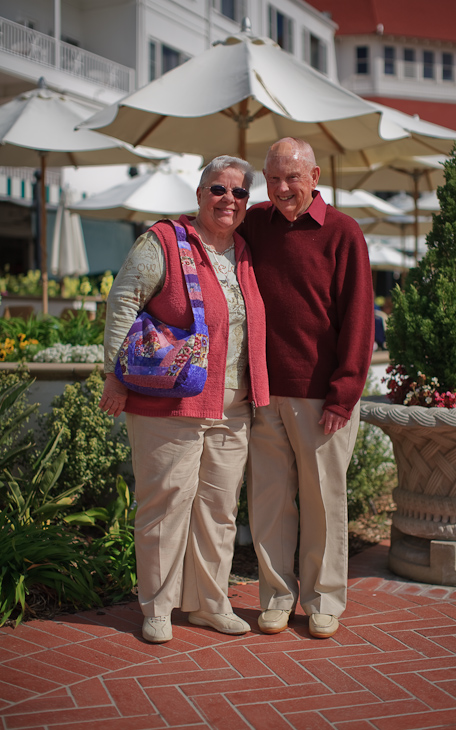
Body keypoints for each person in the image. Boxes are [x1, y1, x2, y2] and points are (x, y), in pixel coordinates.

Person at [99, 155, 269, 643]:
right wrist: (115, 373)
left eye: (239, 193)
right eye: (219, 189)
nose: (229, 200)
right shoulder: (164, 241)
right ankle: (157, 606)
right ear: (199, 194)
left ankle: (209, 603)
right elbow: (123, 300)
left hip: (234, 404)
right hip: (170, 401)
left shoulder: (244, 251)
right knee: (164, 504)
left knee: (219, 510)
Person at [240, 138, 374, 639]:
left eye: (292, 177)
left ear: (314, 176)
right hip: (264, 390)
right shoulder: (255, 223)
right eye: (273, 178)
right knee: (270, 500)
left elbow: (360, 321)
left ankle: (323, 600)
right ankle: (276, 596)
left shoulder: (343, 233)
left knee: (323, 501)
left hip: (323, 397)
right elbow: (208, 230)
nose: (281, 188)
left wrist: (343, 395)